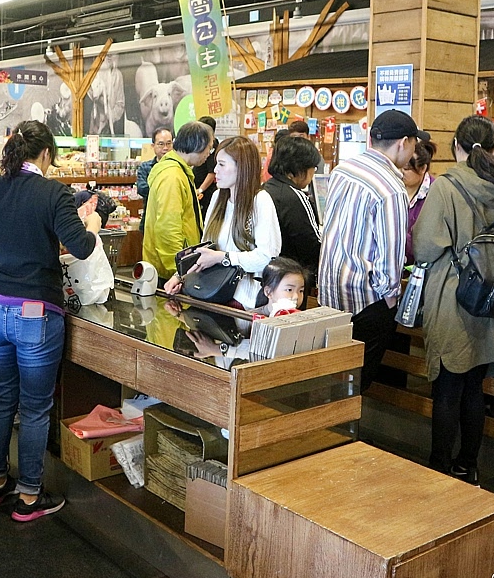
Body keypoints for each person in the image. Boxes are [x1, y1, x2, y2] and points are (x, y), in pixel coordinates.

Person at [0, 120, 100, 522]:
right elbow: (82, 247)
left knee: (1, 398)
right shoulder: (54, 193)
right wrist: (93, 223)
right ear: (46, 154)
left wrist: (0, 235)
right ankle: (30, 497)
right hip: (34, 314)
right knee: (34, 409)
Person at [413, 116, 494, 486]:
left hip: (454, 297)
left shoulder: (446, 187)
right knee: (474, 389)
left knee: (447, 388)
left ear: (456, 148)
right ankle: (468, 467)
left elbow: (426, 245)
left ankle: (439, 469)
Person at [318, 110, 423, 392]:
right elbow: (391, 256)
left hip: (330, 294)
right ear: (403, 142)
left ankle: (330, 433)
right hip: (366, 303)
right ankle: (345, 434)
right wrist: (390, 300)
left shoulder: (343, 170)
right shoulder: (391, 188)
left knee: (333, 377)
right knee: (355, 385)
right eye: (414, 143)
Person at [166, 137, 281, 309]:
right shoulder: (218, 197)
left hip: (244, 302)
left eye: (221, 164)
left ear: (241, 167)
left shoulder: (260, 201)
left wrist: (223, 258)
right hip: (210, 294)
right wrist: (180, 276)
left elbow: (266, 257)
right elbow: (206, 249)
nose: (215, 170)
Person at [142, 121, 214, 282]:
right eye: (209, 147)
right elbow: (168, 228)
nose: (209, 153)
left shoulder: (178, 170)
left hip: (173, 267)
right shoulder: (172, 177)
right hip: (168, 273)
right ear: (198, 144)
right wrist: (178, 272)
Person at [263, 135, 323, 289]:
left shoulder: (265, 189)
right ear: (300, 168)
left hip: (268, 275)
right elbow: (311, 245)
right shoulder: (295, 196)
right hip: (291, 277)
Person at [404, 138, 437, 265]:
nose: (401, 172)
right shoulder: (395, 188)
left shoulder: (434, 193)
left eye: (407, 168)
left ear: (423, 168)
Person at [135, 128, 173, 232]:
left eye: (168, 144)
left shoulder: (177, 168)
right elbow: (142, 188)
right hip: (150, 219)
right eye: (161, 144)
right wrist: (165, 190)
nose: (165, 148)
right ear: (153, 146)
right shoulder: (146, 167)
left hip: (171, 221)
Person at [193, 116, 219, 212]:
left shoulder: (213, 147)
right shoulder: (201, 144)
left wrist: (200, 190)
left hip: (205, 192)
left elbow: (212, 173)